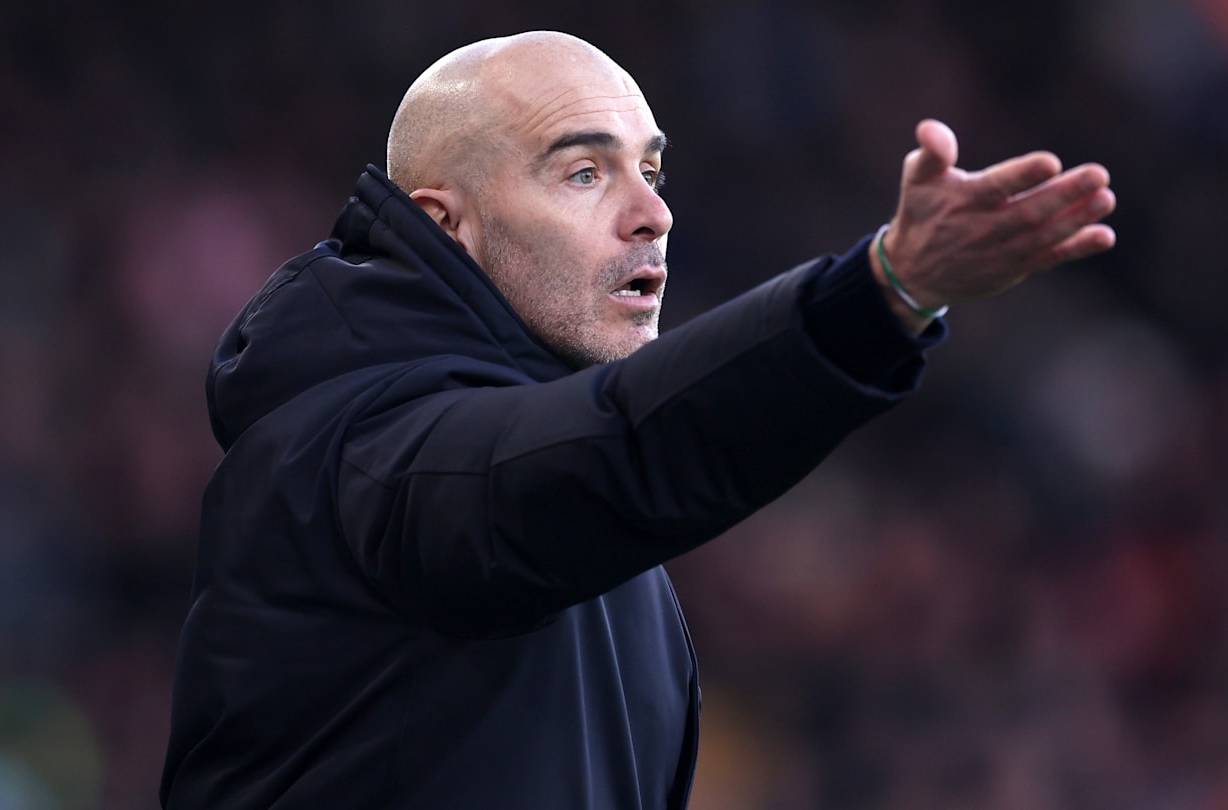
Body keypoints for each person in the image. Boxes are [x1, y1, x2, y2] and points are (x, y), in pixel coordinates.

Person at [160, 30, 1114, 809]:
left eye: (651, 169)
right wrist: (876, 296)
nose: (653, 212)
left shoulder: (544, 459)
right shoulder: (355, 451)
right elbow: (618, 453)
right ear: (447, 225)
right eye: (584, 172)